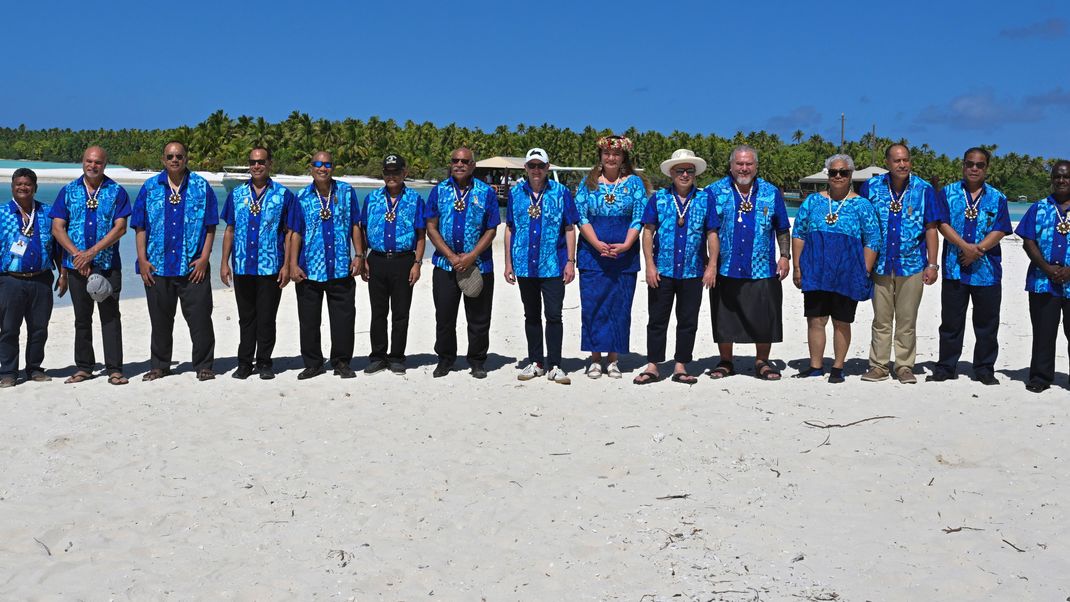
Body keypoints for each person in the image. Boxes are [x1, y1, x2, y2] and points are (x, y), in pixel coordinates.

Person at [131, 141, 218, 382]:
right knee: (159, 320)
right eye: (170, 156)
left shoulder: (201, 186)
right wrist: (142, 259)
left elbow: (211, 226)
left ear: (186, 158)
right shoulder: (150, 187)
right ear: (163, 160)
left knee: (200, 319)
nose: (175, 160)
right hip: (157, 267)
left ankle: (204, 365)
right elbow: (139, 227)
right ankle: (160, 365)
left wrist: (204, 259)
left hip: (193, 268)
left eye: (179, 156)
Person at [791, 154, 880, 383]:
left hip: (847, 273)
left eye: (844, 172)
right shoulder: (813, 202)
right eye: (834, 172)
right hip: (816, 270)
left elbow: (872, 240)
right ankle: (815, 366)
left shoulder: (862, 204)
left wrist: (865, 271)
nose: (838, 176)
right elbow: (799, 233)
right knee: (816, 319)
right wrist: (797, 267)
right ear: (827, 175)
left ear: (851, 175)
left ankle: (838, 367)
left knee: (842, 321)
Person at [634, 149, 720, 385]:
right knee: (657, 319)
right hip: (662, 270)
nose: (684, 174)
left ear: (695, 174)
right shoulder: (659, 198)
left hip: (693, 271)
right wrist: (649, 265)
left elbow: (712, 233)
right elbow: (648, 232)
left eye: (689, 170)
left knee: (688, 320)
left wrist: (712, 266)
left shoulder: (705, 198)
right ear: (671, 173)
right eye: (680, 170)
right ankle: (653, 365)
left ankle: (681, 365)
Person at [705, 145, 791, 380]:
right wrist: (708, 263)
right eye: (739, 164)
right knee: (724, 315)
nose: (744, 168)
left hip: (762, 266)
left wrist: (784, 256)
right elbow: (707, 230)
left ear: (756, 166)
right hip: (726, 266)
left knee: (764, 315)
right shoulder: (714, 191)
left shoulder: (771, 192)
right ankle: (725, 361)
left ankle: (762, 361)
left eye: (749, 164)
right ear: (731, 166)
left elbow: (782, 228)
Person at [928, 148, 1012, 385]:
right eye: (970, 164)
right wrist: (964, 246)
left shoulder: (998, 197)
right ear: (963, 166)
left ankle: (984, 368)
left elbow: (1001, 229)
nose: (974, 168)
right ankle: (946, 366)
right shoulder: (949, 193)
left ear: (987, 168)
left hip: (987, 272)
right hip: (955, 269)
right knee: (951, 322)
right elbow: (942, 223)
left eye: (980, 165)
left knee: (986, 324)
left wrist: (977, 251)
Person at [50, 146, 131, 385]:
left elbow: (121, 228)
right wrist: (78, 256)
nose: (93, 166)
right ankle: (84, 367)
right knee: (82, 318)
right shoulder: (68, 191)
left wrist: (92, 253)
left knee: (110, 317)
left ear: (105, 164)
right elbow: (57, 228)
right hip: (76, 266)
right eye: (89, 161)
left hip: (107, 265)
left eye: (98, 162)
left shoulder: (116, 191)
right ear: (82, 162)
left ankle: (115, 369)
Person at [859, 144, 940, 384]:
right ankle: (878, 365)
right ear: (888, 163)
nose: (902, 164)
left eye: (905, 160)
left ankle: (904, 366)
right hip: (880, 264)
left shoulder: (924, 189)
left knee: (907, 320)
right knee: (881, 320)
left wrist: (932, 265)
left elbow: (931, 229)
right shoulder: (871, 187)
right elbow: (862, 224)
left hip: (912, 264)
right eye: (897, 161)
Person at [574, 134, 651, 379]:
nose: (611, 158)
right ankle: (595, 358)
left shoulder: (635, 184)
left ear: (623, 157)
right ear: (601, 156)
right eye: (607, 154)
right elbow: (580, 216)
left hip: (624, 252)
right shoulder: (588, 182)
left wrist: (628, 243)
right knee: (593, 304)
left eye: (616, 154)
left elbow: (639, 216)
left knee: (620, 305)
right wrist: (596, 243)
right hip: (591, 251)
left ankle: (614, 359)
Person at [504, 148, 579, 385]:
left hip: (553, 265)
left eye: (541, 166)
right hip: (525, 264)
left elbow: (569, 228)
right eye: (532, 166)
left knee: (554, 316)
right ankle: (536, 362)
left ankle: (555, 364)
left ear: (548, 168)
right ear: (525, 168)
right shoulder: (516, 193)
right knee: (531, 315)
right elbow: (510, 228)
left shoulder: (561, 192)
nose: (536, 170)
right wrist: (508, 262)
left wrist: (570, 261)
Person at [220, 146, 295, 381]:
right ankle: (244, 363)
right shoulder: (237, 194)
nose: (256, 166)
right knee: (246, 317)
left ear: (269, 163)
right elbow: (229, 230)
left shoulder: (283, 195)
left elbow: (291, 232)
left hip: (270, 266)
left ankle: (264, 362)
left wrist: (287, 266)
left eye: (261, 161)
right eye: (252, 162)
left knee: (266, 317)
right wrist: (224, 262)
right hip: (242, 265)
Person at [286, 151, 363, 380]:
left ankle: (341, 362)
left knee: (344, 319)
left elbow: (355, 225)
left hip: (340, 267)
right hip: (309, 269)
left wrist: (359, 255)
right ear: (311, 167)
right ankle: (313, 363)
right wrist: (292, 264)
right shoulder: (300, 196)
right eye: (318, 164)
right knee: (309, 321)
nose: (323, 168)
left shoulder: (347, 192)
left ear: (333, 167)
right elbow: (295, 233)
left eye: (327, 164)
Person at [425, 147, 500, 379]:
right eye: (455, 160)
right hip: (445, 265)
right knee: (445, 316)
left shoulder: (486, 192)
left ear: (473, 165)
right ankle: (445, 359)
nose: (459, 164)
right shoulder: (439, 191)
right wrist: (450, 255)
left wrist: (471, 256)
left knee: (478, 318)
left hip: (479, 265)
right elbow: (431, 227)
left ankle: (477, 360)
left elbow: (491, 229)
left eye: (465, 161)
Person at [359, 154, 426, 375]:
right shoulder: (372, 198)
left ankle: (397, 356)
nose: (392, 176)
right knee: (378, 312)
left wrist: (417, 263)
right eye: (388, 172)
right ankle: (378, 356)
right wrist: (363, 257)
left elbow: (420, 235)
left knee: (400, 312)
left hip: (404, 260)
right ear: (383, 174)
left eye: (396, 172)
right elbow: (362, 229)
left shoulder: (415, 199)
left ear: (404, 173)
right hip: (376, 260)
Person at [0, 168, 67, 388]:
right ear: (12, 186)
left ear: (35, 188)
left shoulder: (47, 213)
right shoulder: (2, 213)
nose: (23, 187)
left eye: (27, 184)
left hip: (42, 279)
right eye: (18, 184)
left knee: (39, 327)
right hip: (10, 280)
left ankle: (35, 368)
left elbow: (58, 247)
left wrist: (63, 273)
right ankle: (8, 372)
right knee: (9, 328)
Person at [1014, 160, 1070, 393]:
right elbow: (1028, 241)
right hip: (1042, 281)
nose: (1061, 180)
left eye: (1066, 177)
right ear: (1051, 179)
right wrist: (1046, 267)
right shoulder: (1038, 208)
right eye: (1057, 176)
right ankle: (1040, 376)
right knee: (1043, 332)